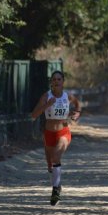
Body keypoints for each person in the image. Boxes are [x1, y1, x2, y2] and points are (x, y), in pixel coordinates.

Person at [31, 70, 81, 206]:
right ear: (51, 83)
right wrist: (47, 105)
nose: (56, 81)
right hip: (48, 134)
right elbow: (34, 115)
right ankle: (57, 184)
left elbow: (77, 104)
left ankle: (55, 192)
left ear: (63, 82)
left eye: (59, 79)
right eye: (54, 79)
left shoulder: (67, 96)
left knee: (56, 158)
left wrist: (77, 114)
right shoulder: (46, 96)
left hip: (63, 132)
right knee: (49, 165)